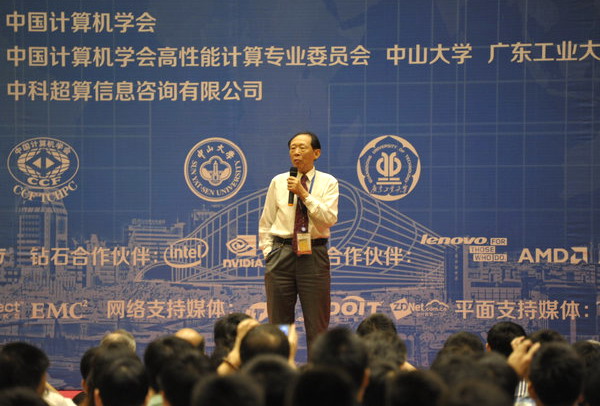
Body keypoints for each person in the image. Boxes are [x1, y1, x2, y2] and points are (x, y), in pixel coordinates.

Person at [258, 131, 339, 350]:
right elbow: (266, 221)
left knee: (317, 324)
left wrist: (303, 193)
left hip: (314, 256)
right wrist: (268, 251)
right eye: (292, 148)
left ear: (316, 153)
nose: (296, 152)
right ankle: (281, 367)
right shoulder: (278, 181)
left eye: (302, 147)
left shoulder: (328, 182)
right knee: (280, 326)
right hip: (281, 254)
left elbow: (329, 218)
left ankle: (317, 369)